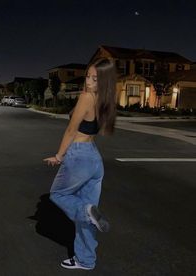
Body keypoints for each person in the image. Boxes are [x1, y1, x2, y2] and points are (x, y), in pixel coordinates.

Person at [43, 57, 117, 270]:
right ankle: (86, 260)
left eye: (95, 79)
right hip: (94, 159)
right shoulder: (104, 100)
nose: (89, 82)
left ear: (104, 82)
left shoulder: (86, 97)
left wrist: (59, 156)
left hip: (79, 155)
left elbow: (71, 130)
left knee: (58, 195)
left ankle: (86, 212)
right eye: (88, 76)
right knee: (89, 215)